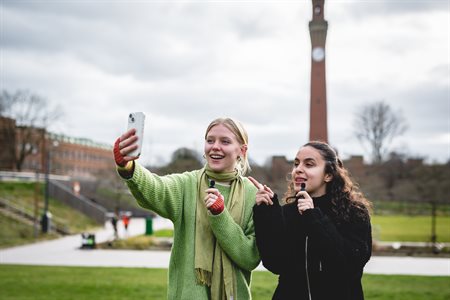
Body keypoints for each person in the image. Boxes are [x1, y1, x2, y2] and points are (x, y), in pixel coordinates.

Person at [113, 117, 260, 300]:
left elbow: (250, 257)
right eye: (210, 140)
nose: (215, 146)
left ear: (242, 150)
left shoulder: (253, 194)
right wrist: (128, 167)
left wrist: (220, 215)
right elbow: (156, 188)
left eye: (225, 141)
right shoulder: (187, 185)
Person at [250, 141, 372, 300]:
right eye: (296, 164)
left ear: (328, 175)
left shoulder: (354, 212)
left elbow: (349, 264)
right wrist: (267, 212)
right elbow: (276, 263)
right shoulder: (288, 212)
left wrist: (314, 216)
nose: (298, 169)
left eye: (309, 164)